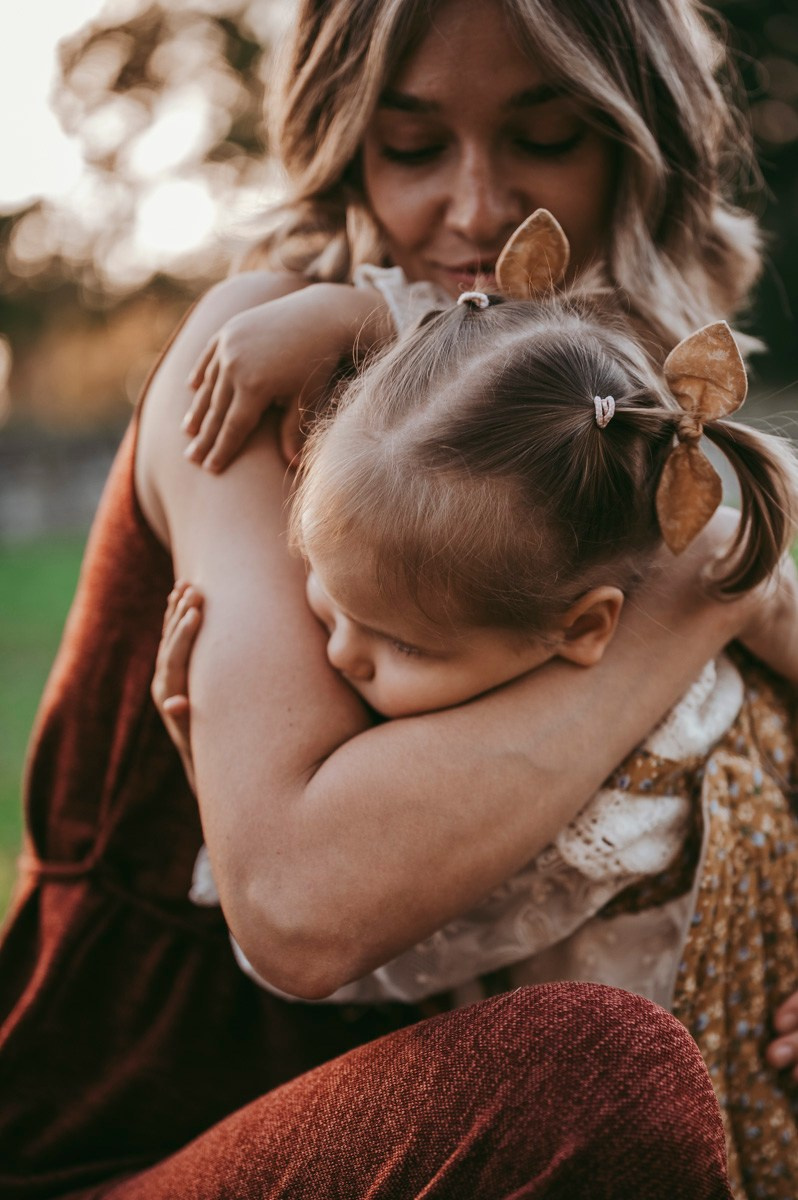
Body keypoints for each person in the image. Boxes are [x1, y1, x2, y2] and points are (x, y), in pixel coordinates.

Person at [0, 0, 787, 1195]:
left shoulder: (629, 437)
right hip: (139, 1130)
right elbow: (297, 905)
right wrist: (703, 601)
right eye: (412, 145)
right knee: (599, 1076)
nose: (475, 209)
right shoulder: (262, 360)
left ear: (646, 148)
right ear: (345, 142)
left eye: (546, 138)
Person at [155, 283, 798, 1198]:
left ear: (584, 628)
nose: (341, 655)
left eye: (408, 647)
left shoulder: (605, 798)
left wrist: (205, 764)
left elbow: (335, 964)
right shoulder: (588, 638)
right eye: (326, 599)